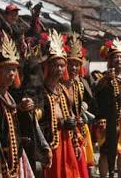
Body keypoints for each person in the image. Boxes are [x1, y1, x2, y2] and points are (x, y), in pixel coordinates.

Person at [0, 33, 46, 177]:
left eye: (14, 69)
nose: (12, 74)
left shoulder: (11, 97)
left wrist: (25, 109)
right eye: (7, 69)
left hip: (15, 159)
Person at [38, 30, 81, 178]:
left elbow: (70, 115)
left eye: (62, 65)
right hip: (51, 143)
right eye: (56, 65)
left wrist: (75, 143)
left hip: (66, 141)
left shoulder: (63, 90)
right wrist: (58, 122)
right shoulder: (41, 92)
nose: (60, 69)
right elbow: (38, 121)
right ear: (48, 67)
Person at [94, 38, 121, 178]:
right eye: (115, 57)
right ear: (109, 60)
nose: (118, 59)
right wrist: (108, 79)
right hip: (107, 121)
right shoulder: (102, 78)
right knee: (106, 152)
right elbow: (97, 91)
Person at [64, 33, 95, 178]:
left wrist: (84, 108)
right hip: (65, 132)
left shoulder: (79, 84)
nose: (74, 68)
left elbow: (87, 102)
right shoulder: (58, 86)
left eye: (77, 64)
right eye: (71, 64)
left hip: (79, 130)